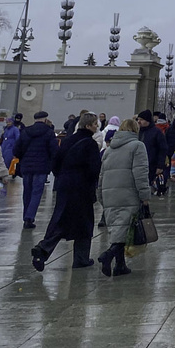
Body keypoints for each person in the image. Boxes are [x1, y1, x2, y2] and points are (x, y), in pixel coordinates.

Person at [32, 112, 102, 271]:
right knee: (84, 223)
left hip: (64, 185)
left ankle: (43, 249)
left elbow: (55, 163)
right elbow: (94, 169)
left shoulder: (67, 140)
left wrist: (63, 177)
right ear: (88, 125)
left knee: (60, 219)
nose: (96, 127)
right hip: (82, 187)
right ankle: (81, 258)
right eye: (95, 124)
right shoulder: (90, 144)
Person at [96, 118, 150, 277]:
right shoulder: (137, 146)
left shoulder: (110, 149)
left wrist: (100, 195)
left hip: (109, 193)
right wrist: (144, 195)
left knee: (117, 229)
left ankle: (120, 265)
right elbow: (140, 173)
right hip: (129, 193)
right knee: (126, 229)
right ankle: (109, 255)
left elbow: (101, 175)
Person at [14, 110, 58, 228]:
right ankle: (30, 217)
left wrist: (23, 158)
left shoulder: (25, 131)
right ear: (45, 119)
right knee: (37, 192)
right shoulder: (49, 133)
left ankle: (25, 217)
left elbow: (17, 150)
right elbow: (54, 151)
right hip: (41, 167)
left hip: (26, 166)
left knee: (27, 192)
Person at [136, 110, 169, 194]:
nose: (139, 121)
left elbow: (163, 149)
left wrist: (160, 165)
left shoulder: (156, 132)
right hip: (138, 163)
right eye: (138, 119)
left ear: (147, 120)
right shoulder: (137, 131)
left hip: (151, 164)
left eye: (141, 119)